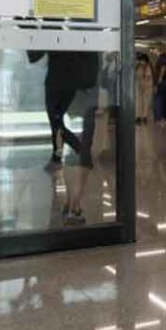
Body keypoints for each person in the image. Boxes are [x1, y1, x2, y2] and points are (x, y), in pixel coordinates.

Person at [29, 50, 100, 226]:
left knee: (63, 131)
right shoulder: (87, 32)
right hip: (84, 85)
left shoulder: (56, 28)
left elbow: (34, 55)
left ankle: (72, 204)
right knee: (80, 144)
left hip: (63, 83)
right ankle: (73, 204)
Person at [134, 53, 155, 124]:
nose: (140, 62)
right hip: (139, 85)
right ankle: (138, 116)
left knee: (146, 101)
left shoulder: (149, 67)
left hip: (147, 86)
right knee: (138, 101)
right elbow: (136, 75)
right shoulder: (138, 67)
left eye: (142, 60)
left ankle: (144, 116)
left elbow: (149, 76)